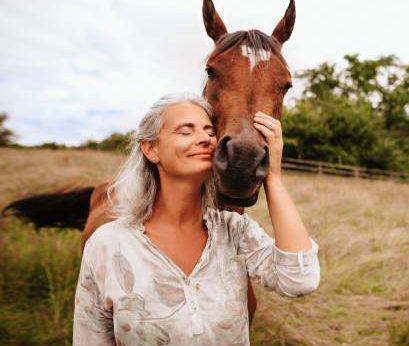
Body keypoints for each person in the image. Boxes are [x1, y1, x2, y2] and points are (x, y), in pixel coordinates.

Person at [73, 93, 320, 345]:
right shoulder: (106, 244)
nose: (204, 138)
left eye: (210, 132)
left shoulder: (234, 231)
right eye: (185, 131)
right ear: (151, 149)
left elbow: (300, 280)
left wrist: (273, 177)